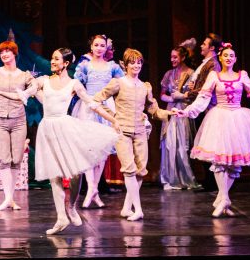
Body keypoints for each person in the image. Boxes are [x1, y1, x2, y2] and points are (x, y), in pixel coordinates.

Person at [0, 48, 117, 234]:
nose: (52, 61)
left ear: (66, 63)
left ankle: (71, 207)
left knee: (76, 173)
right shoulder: (43, 81)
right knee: (54, 175)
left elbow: (93, 104)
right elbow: (23, 94)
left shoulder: (74, 84)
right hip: (48, 129)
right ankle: (61, 217)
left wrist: (113, 120)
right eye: (52, 58)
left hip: (65, 128)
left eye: (56, 59)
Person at [175, 43, 250, 217]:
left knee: (235, 164)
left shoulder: (242, 76)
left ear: (235, 59)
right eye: (225, 55)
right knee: (220, 161)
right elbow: (203, 98)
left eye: (231, 56)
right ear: (220, 58)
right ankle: (225, 198)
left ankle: (223, 198)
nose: (228, 58)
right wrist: (188, 111)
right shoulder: (214, 75)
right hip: (219, 118)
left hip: (238, 119)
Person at [89, 48, 171, 221]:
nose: (136, 66)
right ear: (125, 65)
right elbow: (96, 100)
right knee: (129, 170)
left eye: (139, 62)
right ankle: (138, 209)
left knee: (140, 171)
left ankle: (127, 208)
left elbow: (153, 109)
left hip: (140, 131)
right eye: (132, 63)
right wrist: (113, 118)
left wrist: (170, 113)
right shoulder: (118, 83)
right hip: (122, 131)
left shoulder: (145, 86)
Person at [0, 40, 35, 211]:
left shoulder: (24, 75)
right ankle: (8, 198)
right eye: (1, 52)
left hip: (19, 121)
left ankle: (10, 199)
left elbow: (33, 89)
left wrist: (26, 93)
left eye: (7, 51)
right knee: (4, 159)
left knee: (16, 159)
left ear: (14, 53)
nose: (4, 54)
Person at [71, 34, 124, 208]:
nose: (99, 48)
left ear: (106, 48)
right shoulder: (84, 65)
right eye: (96, 45)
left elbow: (123, 85)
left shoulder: (112, 67)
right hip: (88, 106)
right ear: (91, 47)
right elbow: (77, 86)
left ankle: (94, 190)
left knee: (103, 150)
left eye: (102, 45)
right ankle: (91, 190)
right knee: (88, 149)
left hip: (106, 107)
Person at [184, 32, 223, 193]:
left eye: (204, 44)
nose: (201, 46)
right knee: (203, 143)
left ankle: (213, 181)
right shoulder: (206, 63)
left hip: (207, 108)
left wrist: (190, 93)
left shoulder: (213, 64)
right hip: (201, 106)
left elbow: (209, 88)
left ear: (212, 48)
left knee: (208, 143)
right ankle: (209, 180)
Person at [158, 41, 197, 191]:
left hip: (184, 110)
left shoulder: (191, 73)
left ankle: (186, 179)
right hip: (171, 111)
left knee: (182, 145)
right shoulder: (169, 74)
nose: (172, 59)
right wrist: (171, 98)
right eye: (171, 57)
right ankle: (171, 179)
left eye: (175, 57)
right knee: (169, 144)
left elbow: (195, 95)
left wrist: (181, 96)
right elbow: (162, 94)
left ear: (182, 57)